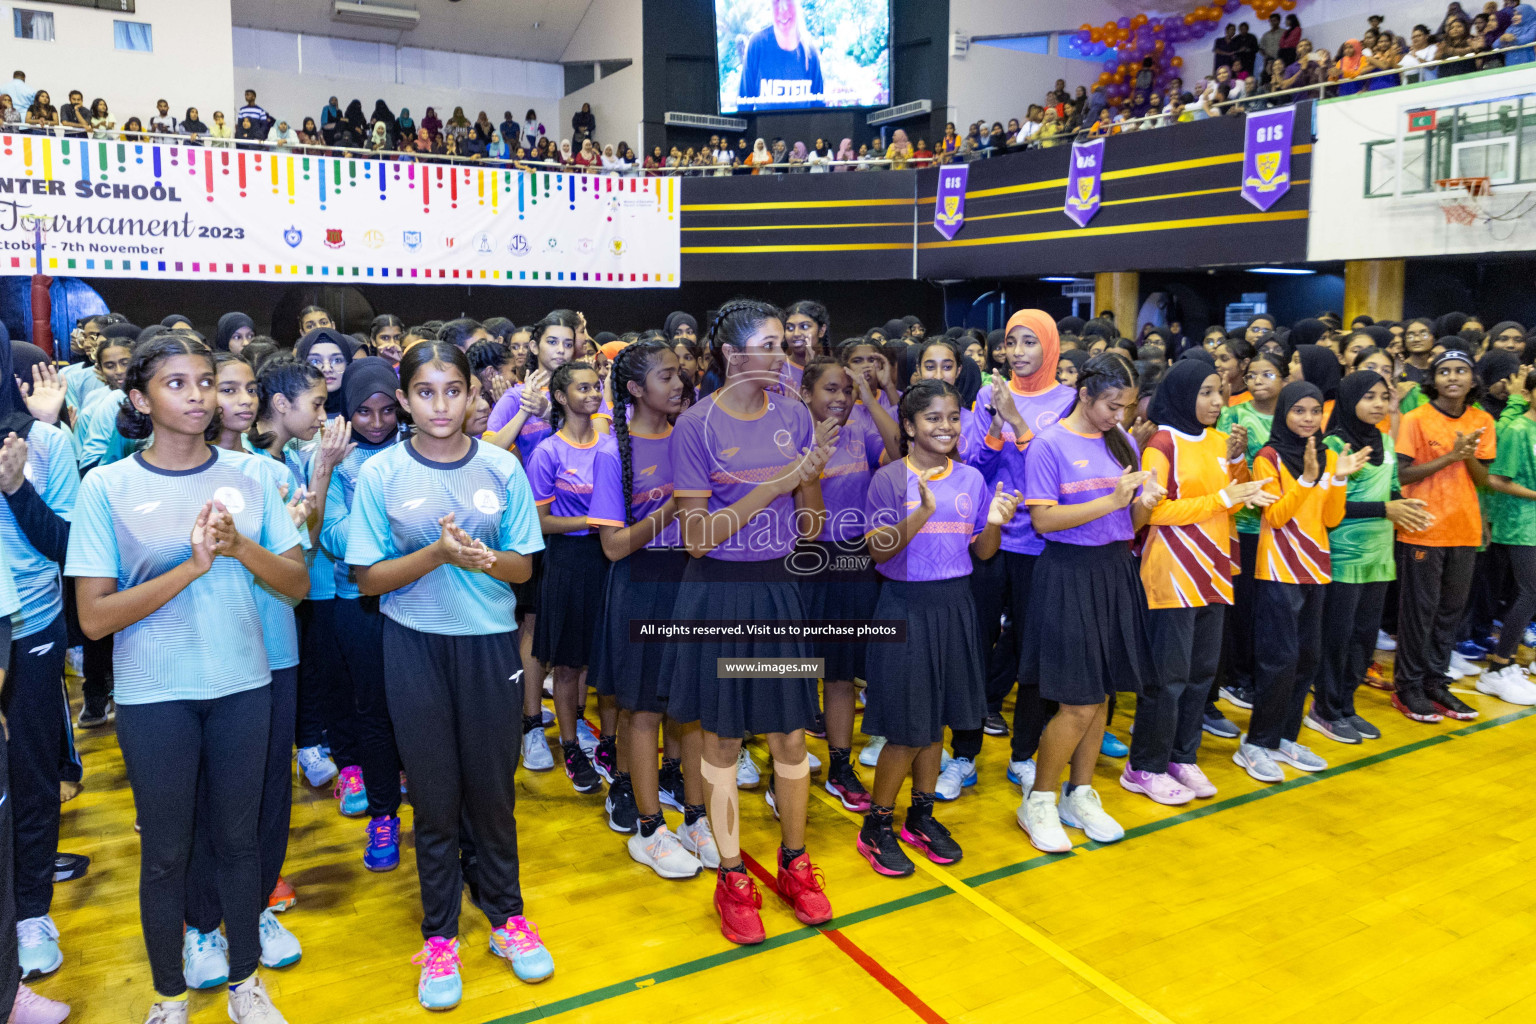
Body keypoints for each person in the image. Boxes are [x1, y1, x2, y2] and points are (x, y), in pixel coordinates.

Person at [66, 332, 308, 1024]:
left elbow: (293, 583)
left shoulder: (256, 474)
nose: (198, 395)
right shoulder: (107, 486)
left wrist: (240, 546)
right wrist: (194, 566)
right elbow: (93, 618)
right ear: (140, 398)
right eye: (177, 383)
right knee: (168, 853)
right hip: (154, 695)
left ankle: (244, 984)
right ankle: (169, 997)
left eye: (207, 381)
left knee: (239, 842)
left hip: (243, 686)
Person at [346, 342, 551, 1010]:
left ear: (473, 397)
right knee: (433, 796)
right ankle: (439, 936)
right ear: (404, 400)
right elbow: (367, 579)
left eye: (453, 390)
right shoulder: (380, 474)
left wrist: (477, 557)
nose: (441, 405)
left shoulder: (502, 466)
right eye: (426, 392)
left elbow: (523, 568)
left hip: (490, 648)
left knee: (492, 790)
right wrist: (437, 553)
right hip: (414, 647)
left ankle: (506, 915)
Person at [659, 300, 834, 945]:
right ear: (733, 357)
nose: (784, 354)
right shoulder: (696, 427)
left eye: (785, 342)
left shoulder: (794, 414)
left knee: (790, 737)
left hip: (776, 591)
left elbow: (809, 518)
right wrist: (781, 482)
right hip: (718, 595)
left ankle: (794, 863)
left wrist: (807, 491)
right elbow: (700, 539)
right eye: (769, 343)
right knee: (724, 741)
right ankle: (732, 875)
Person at [857, 378, 1018, 876]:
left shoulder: (971, 478)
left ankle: (919, 816)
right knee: (907, 729)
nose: (945, 426)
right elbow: (879, 554)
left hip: (957, 606)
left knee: (941, 721)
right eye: (932, 418)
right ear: (908, 426)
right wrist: (921, 513)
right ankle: (877, 825)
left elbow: (984, 552)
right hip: (905, 606)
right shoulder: (888, 478)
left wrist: (994, 520)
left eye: (952, 418)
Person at [1016, 355, 1162, 852]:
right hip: (1067, 573)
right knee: (1076, 702)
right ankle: (1038, 799)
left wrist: (1145, 502)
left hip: (1114, 571)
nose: (1117, 416)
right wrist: (1112, 500)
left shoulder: (1120, 442)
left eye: (1125, 406)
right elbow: (1044, 522)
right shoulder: (1048, 445)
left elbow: (1131, 525)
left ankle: (1080, 792)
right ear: (1085, 394)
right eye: (1110, 405)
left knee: (1100, 694)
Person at [587, 338, 719, 875]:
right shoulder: (611, 450)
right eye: (665, 376)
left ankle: (693, 816)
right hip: (639, 585)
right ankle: (648, 828)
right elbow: (613, 547)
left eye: (678, 374)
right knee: (642, 710)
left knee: (688, 711)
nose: (679, 383)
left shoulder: (692, 437)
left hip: (690, 581)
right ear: (636, 388)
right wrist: (671, 509)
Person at [1124, 360, 1271, 805]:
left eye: (1219, 392)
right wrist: (1220, 498)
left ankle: (1181, 755)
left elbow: (1233, 499)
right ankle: (1143, 766)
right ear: (1184, 393)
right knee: (1167, 677)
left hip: (1215, 567)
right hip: (1171, 570)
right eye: (1206, 392)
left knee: (1201, 672)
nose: (1216, 401)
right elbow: (1154, 511)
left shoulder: (1221, 441)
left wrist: (1241, 473)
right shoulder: (1162, 444)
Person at [1233, 380, 1370, 783]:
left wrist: (1337, 479)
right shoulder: (1269, 457)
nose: (1308, 418)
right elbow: (1274, 517)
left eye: (1314, 411)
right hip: (1278, 570)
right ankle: (1256, 743)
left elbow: (1330, 519)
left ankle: (1283, 738)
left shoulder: (1327, 455)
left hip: (1316, 568)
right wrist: (1308, 480)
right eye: (1299, 411)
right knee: (1279, 659)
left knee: (1307, 657)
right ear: (1284, 413)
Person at [0, 332, 79, 984]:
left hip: (30, 627)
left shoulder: (46, 443)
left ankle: (31, 912)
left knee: (30, 778)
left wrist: (19, 487)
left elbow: (67, 546)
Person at [1393, 350, 1495, 722]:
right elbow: (1402, 476)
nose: (1453, 377)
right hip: (1423, 528)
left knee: (1450, 612)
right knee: (1419, 612)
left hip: (1464, 530)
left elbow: (1484, 479)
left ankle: (1436, 683)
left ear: (1472, 379)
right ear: (1433, 380)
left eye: (1461, 370)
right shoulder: (1416, 419)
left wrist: (1465, 455)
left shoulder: (1482, 419)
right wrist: (1450, 456)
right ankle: (1408, 688)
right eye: (1444, 371)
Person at [527, 362, 611, 794]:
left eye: (597, 387)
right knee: (566, 662)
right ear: (561, 397)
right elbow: (539, 523)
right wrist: (592, 518)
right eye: (583, 388)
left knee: (606, 659)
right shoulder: (548, 453)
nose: (594, 394)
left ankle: (608, 743)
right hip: (566, 560)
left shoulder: (612, 445)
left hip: (608, 558)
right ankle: (570, 745)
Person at [737, 0, 824, 110]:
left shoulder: (810, 52)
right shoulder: (757, 45)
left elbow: (819, 110)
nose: (783, 8)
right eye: (776, 1)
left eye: (788, 0)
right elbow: (744, 106)